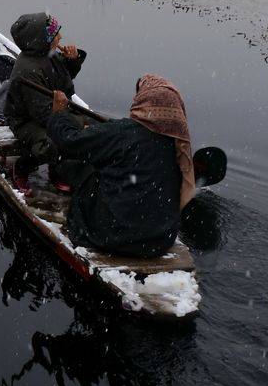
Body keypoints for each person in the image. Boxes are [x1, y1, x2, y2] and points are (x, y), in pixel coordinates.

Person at [38, 74, 199, 259]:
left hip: (113, 236)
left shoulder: (124, 132)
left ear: (144, 100)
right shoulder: (178, 145)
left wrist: (59, 113)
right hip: (160, 240)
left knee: (85, 169)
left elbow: (69, 141)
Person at [2, 12, 86, 156]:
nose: (60, 37)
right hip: (27, 122)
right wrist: (80, 124)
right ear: (42, 40)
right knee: (57, 141)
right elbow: (44, 116)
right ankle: (26, 163)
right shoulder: (28, 72)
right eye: (55, 35)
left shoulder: (47, 54)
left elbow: (62, 78)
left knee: (99, 128)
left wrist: (72, 60)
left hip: (56, 110)